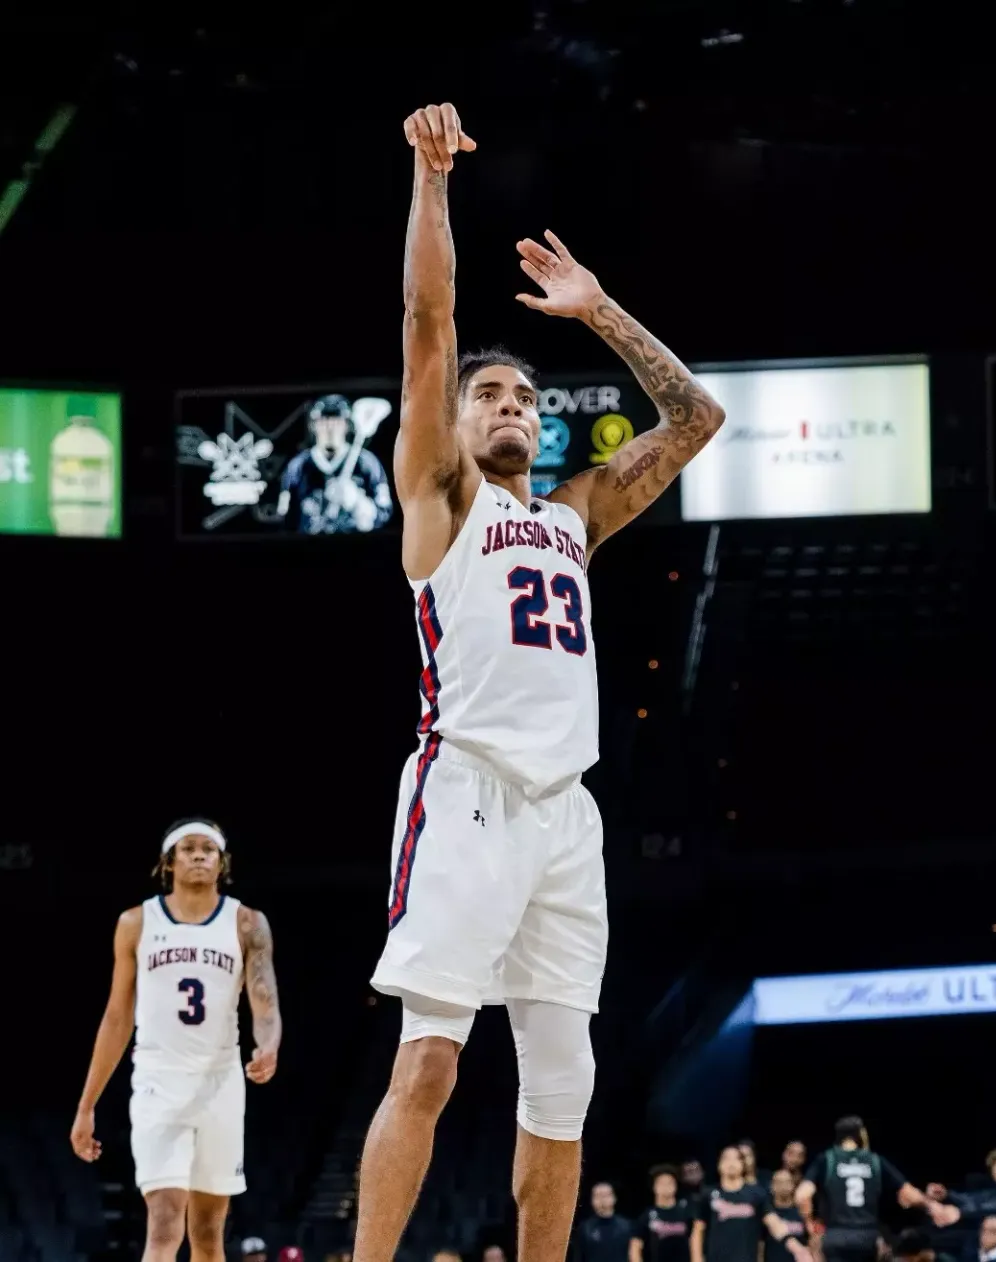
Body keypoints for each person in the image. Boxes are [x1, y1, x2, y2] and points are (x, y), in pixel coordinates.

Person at [353, 100, 726, 1262]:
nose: (513, 406)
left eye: (524, 396)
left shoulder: (573, 514)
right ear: (455, 428)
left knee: (564, 1082)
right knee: (432, 1055)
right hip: (467, 790)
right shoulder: (442, 498)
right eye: (491, 396)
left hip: (569, 810)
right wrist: (430, 179)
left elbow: (697, 416)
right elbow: (429, 319)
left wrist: (599, 308)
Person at [70, 819, 281, 1262]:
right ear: (169, 862)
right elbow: (116, 1016)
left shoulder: (246, 923)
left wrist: (268, 1045)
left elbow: (264, 1002)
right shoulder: (136, 922)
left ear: (222, 862)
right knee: (165, 1221)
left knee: (207, 1231)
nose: (200, 855)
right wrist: (87, 1104)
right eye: (189, 848)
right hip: (157, 1081)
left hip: (220, 1083)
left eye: (209, 848)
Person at [796, 1116, 950, 1262]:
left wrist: (809, 1223)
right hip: (866, 1238)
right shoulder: (875, 1160)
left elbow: (802, 1196)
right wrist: (930, 1205)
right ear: (860, 1134)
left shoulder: (827, 1159)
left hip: (836, 1237)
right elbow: (909, 1194)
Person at [277, 393, 394, 535]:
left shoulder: (367, 463)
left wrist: (357, 501)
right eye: (324, 421)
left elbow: (384, 513)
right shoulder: (298, 466)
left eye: (337, 421)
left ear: (347, 425)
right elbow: (285, 518)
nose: (330, 429)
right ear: (313, 426)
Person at [692, 1147, 813, 1262]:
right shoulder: (708, 1194)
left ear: (743, 1164)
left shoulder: (756, 1194)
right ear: (719, 1164)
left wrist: (797, 1248)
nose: (731, 1162)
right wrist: (696, 1259)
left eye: (736, 1158)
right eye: (726, 1158)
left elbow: (774, 1223)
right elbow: (698, 1231)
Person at [632, 1167, 694, 1262]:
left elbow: (695, 1241)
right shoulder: (646, 1216)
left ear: (675, 1186)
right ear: (654, 1187)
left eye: (670, 1182)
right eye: (661, 1183)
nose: (666, 1186)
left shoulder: (686, 1212)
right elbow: (635, 1247)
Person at [577, 1183, 634, 1262]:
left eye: (606, 1195)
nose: (602, 1199)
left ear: (614, 1198)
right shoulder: (585, 1228)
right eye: (598, 1196)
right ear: (592, 1200)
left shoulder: (627, 1226)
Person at [763, 1169, 807, 1262]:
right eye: (779, 1182)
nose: (783, 1186)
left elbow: (809, 1244)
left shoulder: (802, 1213)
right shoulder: (767, 1215)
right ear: (771, 1186)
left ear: (793, 1185)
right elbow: (760, 1245)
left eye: (787, 1182)